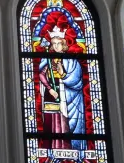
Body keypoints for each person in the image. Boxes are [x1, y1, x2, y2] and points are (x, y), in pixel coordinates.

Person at [34, 18, 86, 149]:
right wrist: (49, 88)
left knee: (64, 120)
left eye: (59, 43)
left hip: (67, 95)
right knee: (51, 118)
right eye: (54, 43)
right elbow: (41, 74)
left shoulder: (72, 61)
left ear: (63, 44)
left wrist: (63, 74)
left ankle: (67, 147)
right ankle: (52, 146)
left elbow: (77, 81)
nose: (56, 46)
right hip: (52, 93)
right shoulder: (48, 59)